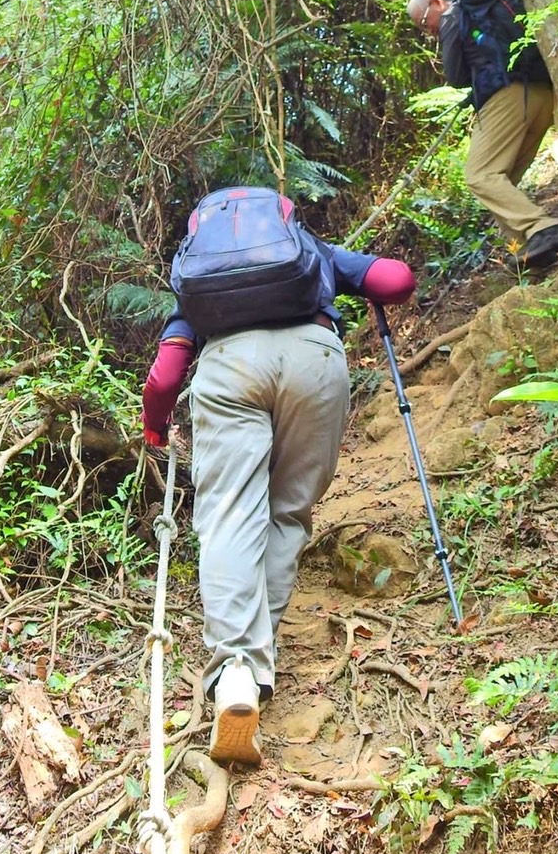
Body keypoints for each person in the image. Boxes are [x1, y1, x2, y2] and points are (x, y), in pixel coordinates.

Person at [141, 194, 415, 766]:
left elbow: (166, 374)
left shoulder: (205, 278)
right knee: (287, 513)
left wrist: (156, 427)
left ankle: (237, 671)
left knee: (228, 516)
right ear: (282, 221)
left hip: (230, 370)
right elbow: (396, 280)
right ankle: (257, 654)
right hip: (316, 364)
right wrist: (343, 276)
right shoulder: (308, 250)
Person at [407, 0, 558, 270]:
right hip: (541, 95)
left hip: (509, 98)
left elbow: (455, 76)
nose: (427, 32)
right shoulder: (484, 13)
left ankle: (542, 228)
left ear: (436, 3)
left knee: (480, 175)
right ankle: (531, 250)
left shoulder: (452, 15)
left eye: (423, 23)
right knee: (501, 178)